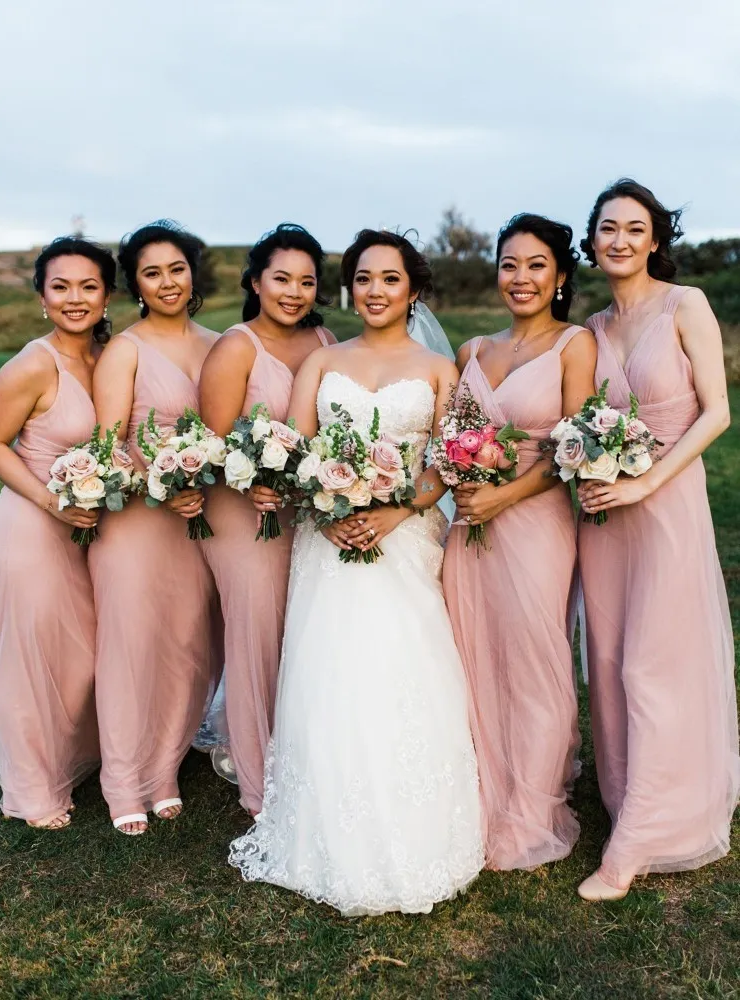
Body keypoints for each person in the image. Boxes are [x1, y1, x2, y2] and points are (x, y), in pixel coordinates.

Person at [228, 230, 483, 916]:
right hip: (326, 540)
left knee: (403, 668)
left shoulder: (436, 368)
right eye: (363, 278)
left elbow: (454, 459)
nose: (374, 291)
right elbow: (294, 449)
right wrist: (325, 505)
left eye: (389, 279)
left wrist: (398, 512)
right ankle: (323, 829)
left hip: (404, 538)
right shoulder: (322, 361)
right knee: (329, 670)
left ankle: (415, 828)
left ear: (413, 289)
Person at [576, 179, 739, 900]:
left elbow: (716, 414)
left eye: (634, 228)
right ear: (591, 241)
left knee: (656, 660)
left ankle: (644, 837)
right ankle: (623, 800)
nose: (619, 240)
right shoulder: (593, 330)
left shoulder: (687, 305)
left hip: (666, 502)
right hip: (604, 513)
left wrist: (647, 483)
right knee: (608, 658)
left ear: (654, 239)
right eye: (607, 228)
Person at [443, 214, 596, 869]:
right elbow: (452, 441)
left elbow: (575, 445)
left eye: (536, 266)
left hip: (534, 524)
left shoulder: (575, 345)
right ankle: (473, 791)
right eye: (510, 264)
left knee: (535, 660)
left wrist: (502, 496)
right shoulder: (472, 350)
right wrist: (463, 482)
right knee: (470, 654)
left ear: (560, 276)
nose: (521, 278)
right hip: (468, 526)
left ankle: (529, 805)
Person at [198, 223, 334, 815]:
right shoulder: (236, 347)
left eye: (307, 281)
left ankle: (301, 752)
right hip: (244, 513)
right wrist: (254, 479)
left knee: (299, 631)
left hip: (307, 513)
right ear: (256, 282)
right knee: (254, 633)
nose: (294, 291)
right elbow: (213, 439)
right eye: (281, 278)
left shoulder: (326, 341)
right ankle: (258, 779)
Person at [90, 220, 219, 835]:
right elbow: (107, 446)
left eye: (176, 268)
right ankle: (121, 777)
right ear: (136, 285)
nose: (168, 282)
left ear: (192, 272)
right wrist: (159, 485)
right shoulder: (126, 350)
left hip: (201, 521)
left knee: (189, 644)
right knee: (131, 644)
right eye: (152, 272)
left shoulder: (220, 344)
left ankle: (164, 767)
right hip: (137, 523)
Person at [0, 236, 115, 828]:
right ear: (42, 297)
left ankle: (75, 756)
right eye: (60, 286)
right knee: (28, 658)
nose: (75, 298)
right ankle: (33, 791)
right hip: (31, 527)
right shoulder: (33, 364)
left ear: (107, 295)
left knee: (82, 654)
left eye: (88, 286)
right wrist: (49, 500)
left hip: (87, 531)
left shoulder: (109, 356)